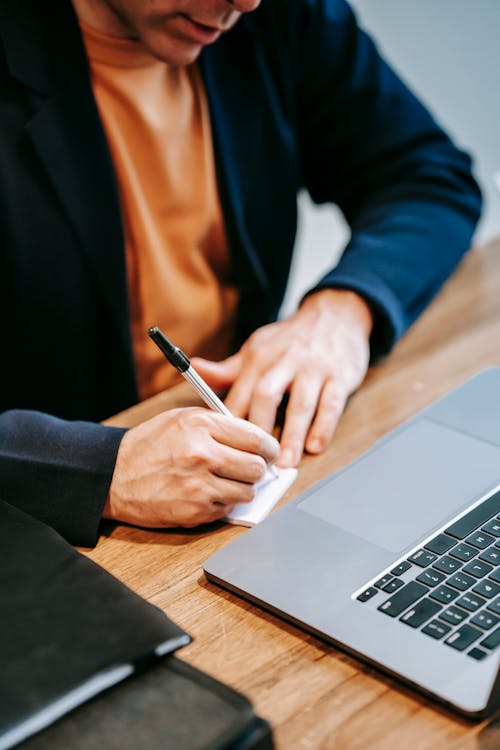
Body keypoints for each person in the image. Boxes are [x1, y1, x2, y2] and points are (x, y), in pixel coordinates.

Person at [0, 0, 481, 547]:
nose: (246, 1)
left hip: (236, 471)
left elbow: (427, 177)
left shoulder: (279, 14)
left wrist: (343, 311)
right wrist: (97, 468)